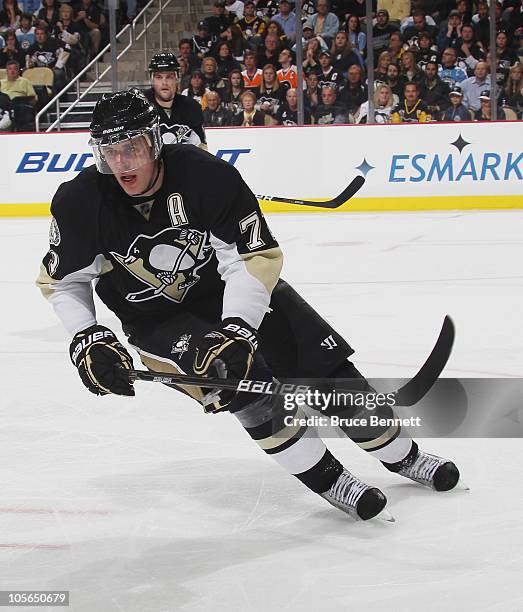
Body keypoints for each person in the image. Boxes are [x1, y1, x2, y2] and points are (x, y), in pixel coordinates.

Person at [37, 88, 461, 523]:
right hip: (158, 319)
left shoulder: (207, 176)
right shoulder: (80, 201)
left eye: (132, 149)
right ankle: (331, 479)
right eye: (111, 151)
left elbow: (249, 259)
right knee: (246, 389)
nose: (122, 163)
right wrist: (87, 336)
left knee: (327, 372)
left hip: (228, 287)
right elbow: (63, 281)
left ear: (155, 142)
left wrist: (239, 328)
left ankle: (403, 456)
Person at [144, 53, 206, 148]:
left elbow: (201, 147)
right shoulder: (141, 107)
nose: (164, 83)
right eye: (159, 77)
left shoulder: (192, 107)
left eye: (169, 77)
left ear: (177, 79)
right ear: (152, 80)